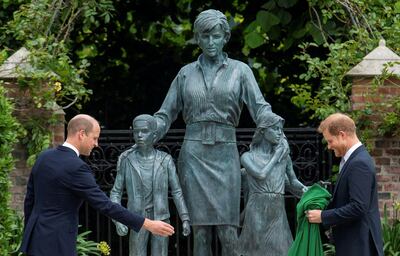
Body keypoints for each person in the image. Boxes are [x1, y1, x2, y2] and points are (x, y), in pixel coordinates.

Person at [153, 9, 287, 255]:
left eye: (215, 36)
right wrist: (151, 129)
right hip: (194, 156)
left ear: (225, 37)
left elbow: (260, 108)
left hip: (225, 156)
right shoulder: (185, 73)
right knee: (201, 233)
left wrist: (276, 128)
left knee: (228, 230)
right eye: (204, 37)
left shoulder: (240, 71)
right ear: (197, 38)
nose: (210, 42)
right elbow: (165, 114)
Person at [20, 114, 174, 256]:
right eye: (94, 138)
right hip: (58, 242)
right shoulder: (77, 167)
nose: (96, 144)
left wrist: (30, 231)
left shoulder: (44, 157)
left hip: (35, 238)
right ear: (81, 134)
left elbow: (30, 201)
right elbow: (105, 205)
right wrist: (147, 223)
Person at [110, 114, 191, 256]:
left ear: (154, 135)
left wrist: (185, 218)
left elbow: (177, 191)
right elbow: (115, 193)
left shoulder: (165, 160)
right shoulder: (127, 160)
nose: (139, 135)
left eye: (145, 131)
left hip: (161, 217)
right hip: (136, 218)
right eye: (136, 131)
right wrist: (118, 220)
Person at [306, 113, 383, 256]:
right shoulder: (351, 160)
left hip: (359, 247)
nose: (329, 147)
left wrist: (323, 216)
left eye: (330, 141)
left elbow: (358, 207)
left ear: (342, 135)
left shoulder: (359, 163)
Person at [237, 110, 307, 256]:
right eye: (275, 129)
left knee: (281, 250)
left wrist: (307, 189)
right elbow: (261, 174)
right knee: (255, 250)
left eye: (281, 130)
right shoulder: (248, 157)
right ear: (262, 131)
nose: (279, 133)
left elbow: (292, 181)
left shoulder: (284, 158)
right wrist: (276, 156)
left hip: (277, 209)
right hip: (256, 208)